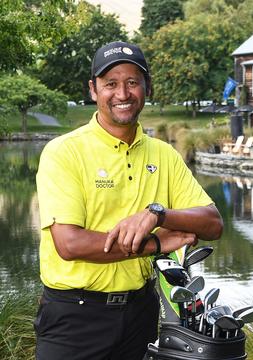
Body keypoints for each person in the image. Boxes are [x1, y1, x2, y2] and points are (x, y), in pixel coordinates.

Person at [34, 41, 223, 360]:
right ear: (93, 90)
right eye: (111, 84)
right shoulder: (63, 152)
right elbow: (70, 245)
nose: (122, 94)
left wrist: (158, 215)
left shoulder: (163, 154)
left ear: (147, 87)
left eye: (132, 82)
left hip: (141, 313)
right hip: (73, 318)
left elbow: (212, 223)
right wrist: (157, 244)